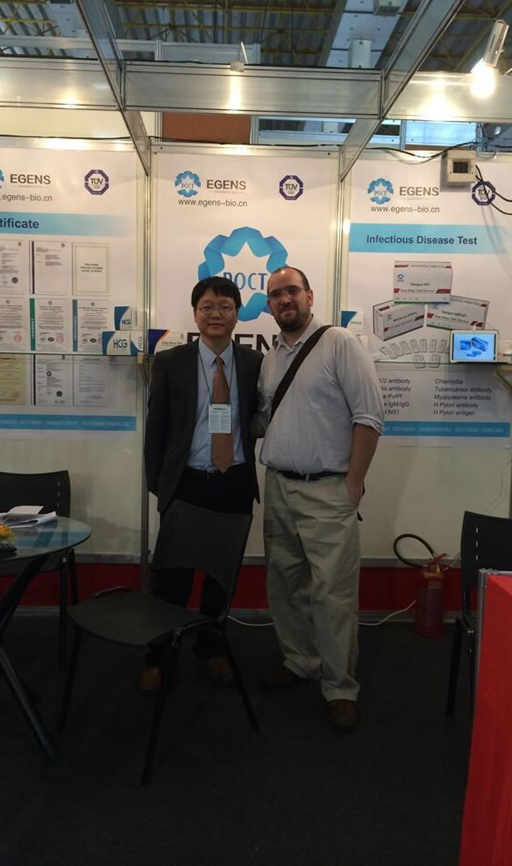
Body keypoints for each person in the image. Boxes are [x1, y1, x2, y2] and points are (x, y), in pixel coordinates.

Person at [256, 265, 384, 730]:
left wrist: (353, 483)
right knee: (285, 585)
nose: (284, 300)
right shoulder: (271, 356)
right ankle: (300, 661)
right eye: (276, 294)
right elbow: (268, 418)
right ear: (269, 305)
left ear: (309, 295)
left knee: (333, 594)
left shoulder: (340, 344)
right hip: (279, 486)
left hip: (329, 490)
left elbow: (369, 417)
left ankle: (340, 687)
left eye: (292, 291)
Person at [143, 276, 262, 696]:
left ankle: (210, 648)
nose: (216, 314)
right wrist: (160, 488)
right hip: (187, 483)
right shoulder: (170, 362)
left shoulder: (254, 364)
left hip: (235, 483)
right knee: (171, 578)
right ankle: (159, 656)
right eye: (207, 306)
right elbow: (156, 430)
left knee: (220, 579)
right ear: (195, 314)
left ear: (237, 314)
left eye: (225, 307)